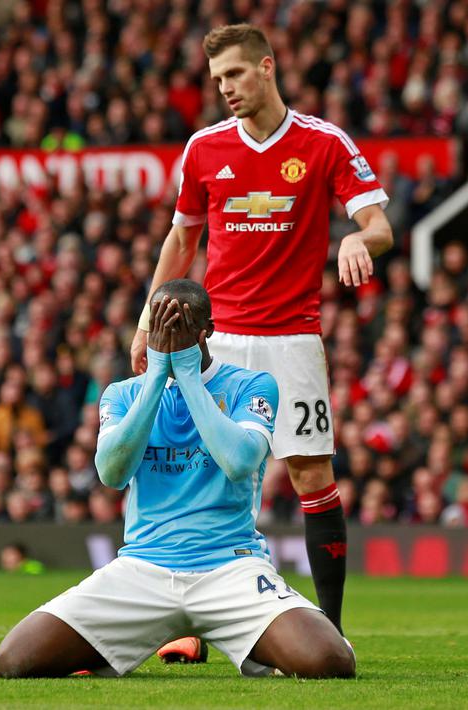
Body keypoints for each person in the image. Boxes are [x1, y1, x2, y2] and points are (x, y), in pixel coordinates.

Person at [129, 24, 392, 649]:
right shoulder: (203, 148)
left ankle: (331, 627)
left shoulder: (323, 143)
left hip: (292, 338)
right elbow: (182, 241)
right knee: (201, 475)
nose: (227, 89)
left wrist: (358, 238)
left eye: (237, 75)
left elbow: (377, 223)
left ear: (268, 68)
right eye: (219, 79)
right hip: (214, 342)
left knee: (309, 475)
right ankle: (188, 628)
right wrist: (146, 321)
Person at [0, 281, 353, 679]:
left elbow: (238, 462)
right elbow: (111, 474)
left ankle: (256, 649)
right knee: (14, 661)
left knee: (330, 662)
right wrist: (157, 378)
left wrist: (187, 375)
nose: (167, 337)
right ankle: (113, 651)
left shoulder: (251, 385)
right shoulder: (122, 394)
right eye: (161, 325)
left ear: (207, 332)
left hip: (231, 568)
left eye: (178, 326)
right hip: (143, 567)